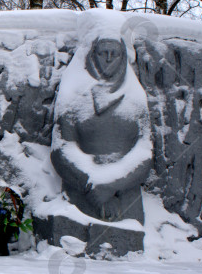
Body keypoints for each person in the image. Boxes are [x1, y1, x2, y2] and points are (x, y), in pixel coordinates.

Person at [51, 29, 153, 223]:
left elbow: (144, 151)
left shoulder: (136, 98)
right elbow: (62, 147)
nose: (108, 58)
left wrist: (111, 185)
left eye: (114, 53)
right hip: (80, 189)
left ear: (123, 56)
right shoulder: (73, 94)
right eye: (102, 53)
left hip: (125, 195)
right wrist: (91, 184)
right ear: (92, 55)